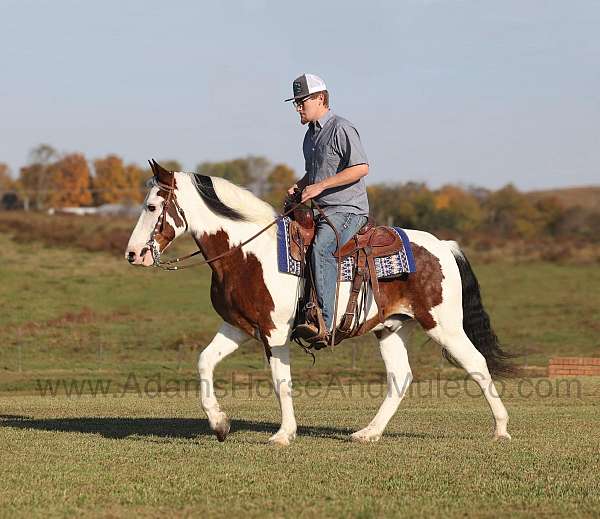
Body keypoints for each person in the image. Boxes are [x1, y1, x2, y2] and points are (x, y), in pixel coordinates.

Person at [285, 73, 370, 345]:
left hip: (347, 209)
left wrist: (320, 187)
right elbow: (315, 174)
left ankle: (325, 321)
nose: (298, 107)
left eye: (302, 101)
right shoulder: (309, 138)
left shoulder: (341, 128)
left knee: (322, 248)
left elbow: (361, 168)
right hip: (322, 210)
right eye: (296, 102)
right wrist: (300, 186)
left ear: (320, 99)